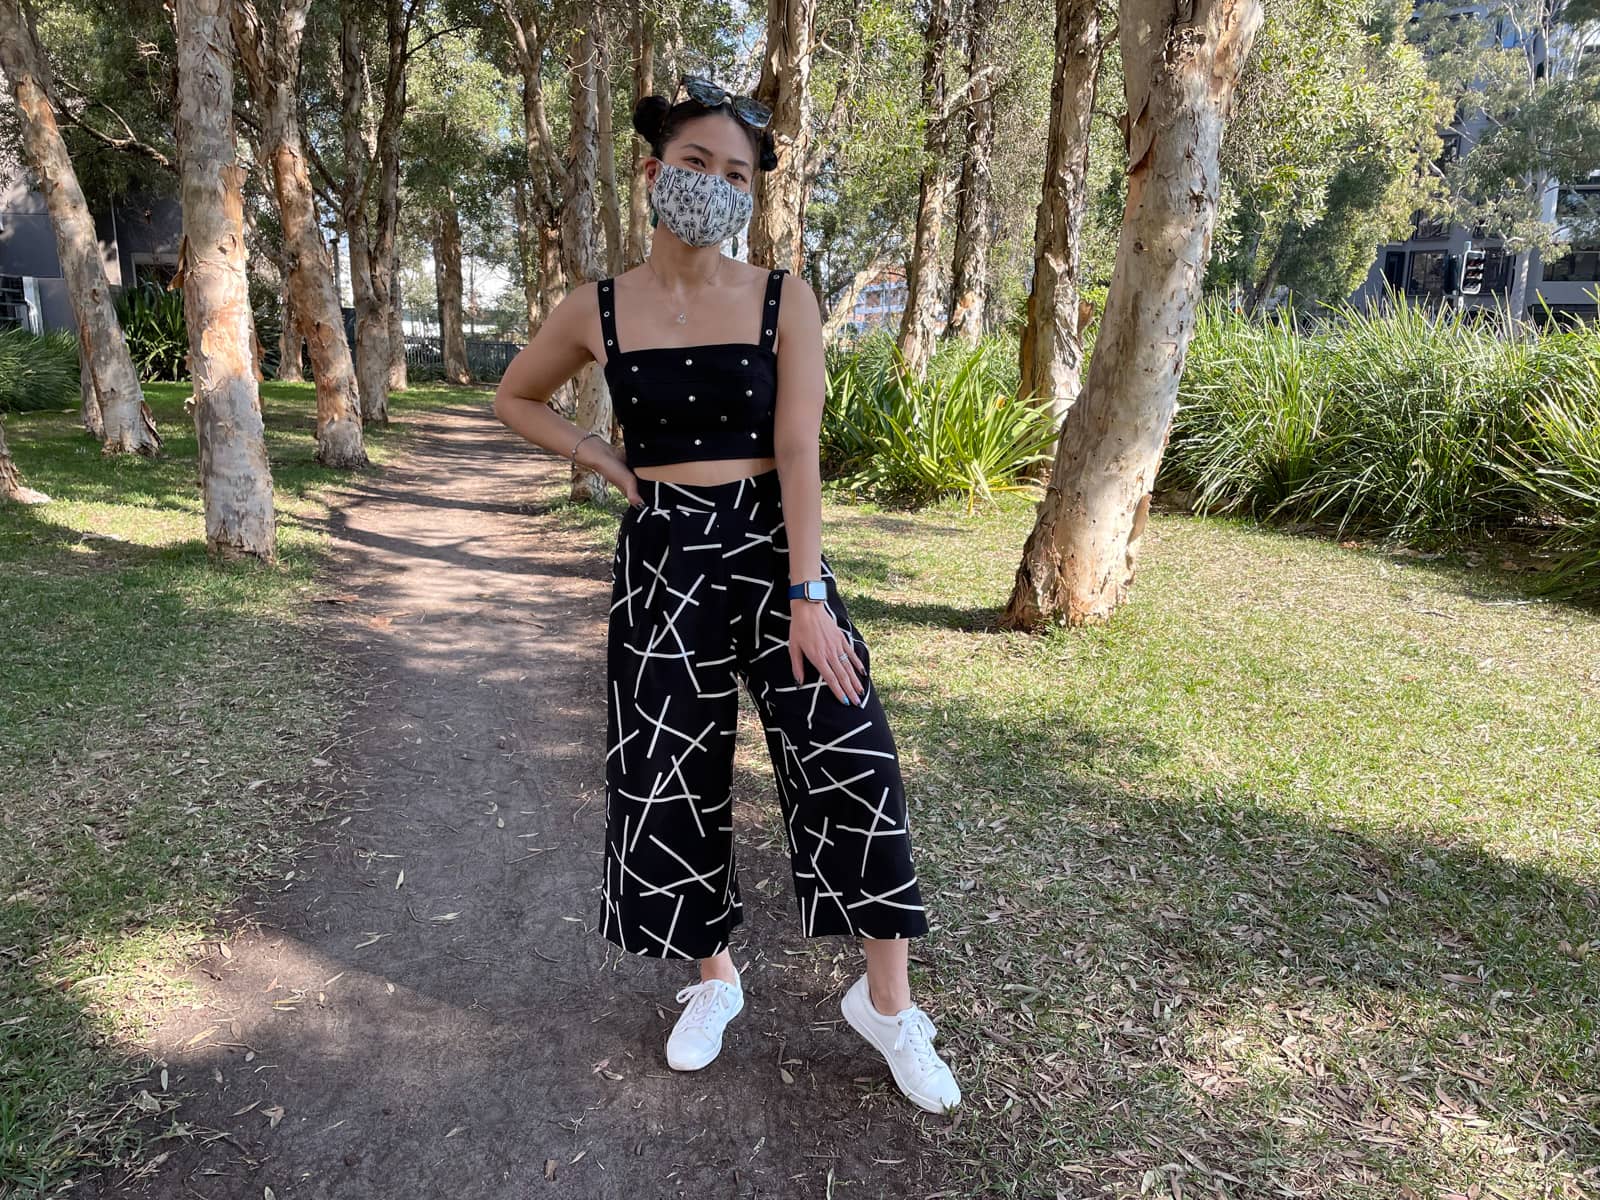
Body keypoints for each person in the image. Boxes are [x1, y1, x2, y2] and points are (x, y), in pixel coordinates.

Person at [491, 75, 959, 1115]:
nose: (713, 186)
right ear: (654, 172)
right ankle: (712, 978)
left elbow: (797, 447)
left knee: (851, 749)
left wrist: (806, 589)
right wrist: (599, 459)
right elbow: (514, 394)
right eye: (696, 165)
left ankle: (886, 1006)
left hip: (771, 548)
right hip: (662, 555)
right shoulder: (597, 308)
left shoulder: (783, 297)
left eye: (736, 175)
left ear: (753, 195)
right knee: (665, 767)